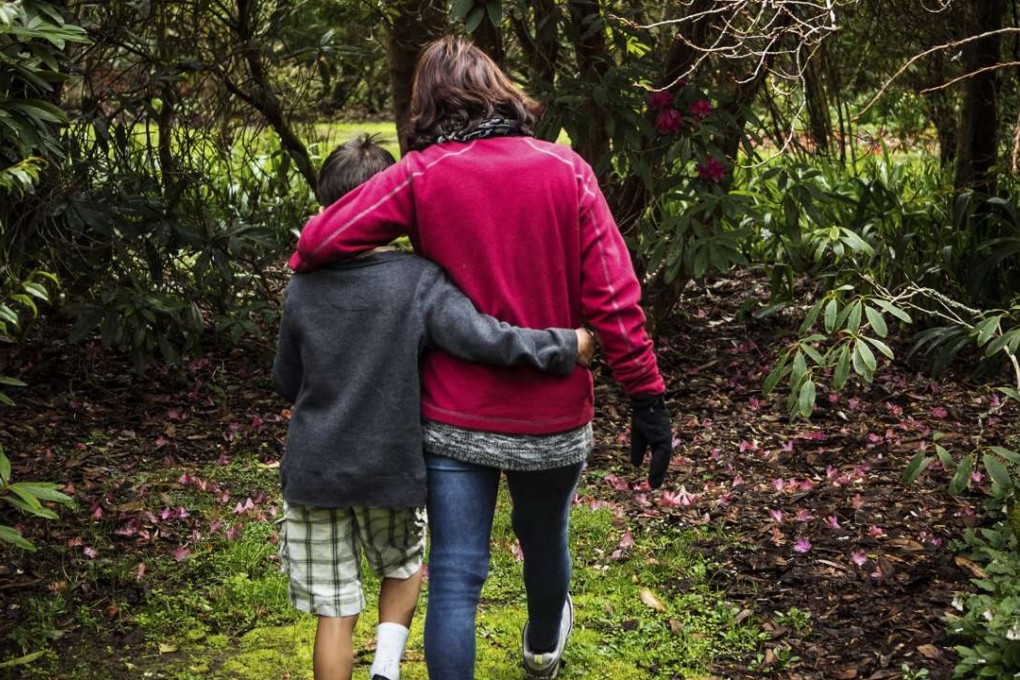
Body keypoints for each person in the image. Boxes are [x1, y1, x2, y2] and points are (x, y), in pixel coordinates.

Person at [289, 38, 673, 680]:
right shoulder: (566, 170)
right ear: (501, 90)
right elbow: (613, 295)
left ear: (427, 106)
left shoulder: (423, 175)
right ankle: (543, 646)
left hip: (455, 419)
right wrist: (647, 397)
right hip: (552, 419)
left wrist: (304, 263)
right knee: (545, 540)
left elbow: (322, 236)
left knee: (458, 575)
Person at [273, 134, 596, 680]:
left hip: (315, 471)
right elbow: (485, 338)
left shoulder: (302, 287)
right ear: (387, 212)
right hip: (391, 466)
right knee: (402, 568)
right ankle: (387, 666)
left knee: (334, 612)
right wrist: (566, 345)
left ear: (329, 209)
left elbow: (287, 380)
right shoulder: (418, 280)